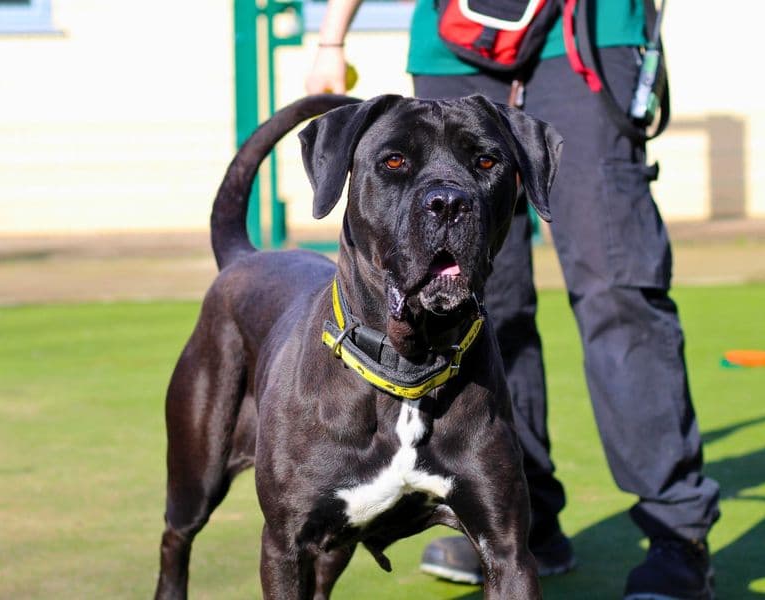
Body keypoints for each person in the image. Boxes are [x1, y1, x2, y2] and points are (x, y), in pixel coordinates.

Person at [306, 1, 720, 598]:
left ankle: (677, 532)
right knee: (478, 302)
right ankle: (517, 520)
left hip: (588, 33)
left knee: (617, 289)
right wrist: (330, 37)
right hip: (456, 36)